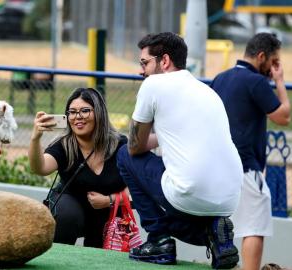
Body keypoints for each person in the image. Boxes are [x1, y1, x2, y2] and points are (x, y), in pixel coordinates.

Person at [116, 32, 243, 269]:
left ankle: (158, 241)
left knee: (123, 154)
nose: (141, 71)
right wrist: (162, 138)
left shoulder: (154, 84)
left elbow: (134, 147)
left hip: (190, 193)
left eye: (145, 63)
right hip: (229, 199)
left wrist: (154, 139)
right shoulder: (207, 91)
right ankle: (215, 233)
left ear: (164, 61)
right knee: (180, 202)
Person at [210, 33, 290, 270]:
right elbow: (284, 116)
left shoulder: (220, 79)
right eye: (273, 62)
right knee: (254, 226)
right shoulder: (255, 81)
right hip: (245, 167)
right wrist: (279, 80)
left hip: (218, 166)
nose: (273, 68)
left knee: (223, 227)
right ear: (261, 56)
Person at [28, 87, 128, 248]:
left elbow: (137, 188)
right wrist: (35, 139)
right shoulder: (64, 145)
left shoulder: (120, 145)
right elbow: (41, 168)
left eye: (85, 111)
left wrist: (108, 200)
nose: (77, 117)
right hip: (72, 212)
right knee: (67, 214)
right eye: (72, 112)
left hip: (108, 215)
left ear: (99, 113)